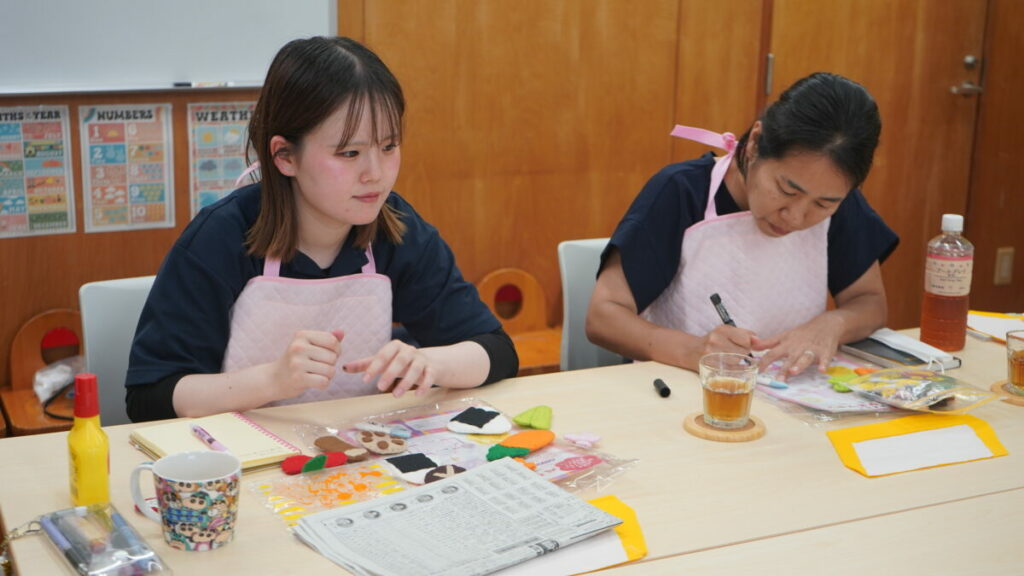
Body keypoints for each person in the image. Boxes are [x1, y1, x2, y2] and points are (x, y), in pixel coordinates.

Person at [126, 37, 518, 422]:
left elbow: (497, 351)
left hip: (355, 451)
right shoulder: (219, 238)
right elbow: (151, 397)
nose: (376, 174)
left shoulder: (398, 230)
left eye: (389, 147)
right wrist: (272, 380)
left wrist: (431, 361)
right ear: (285, 156)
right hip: (241, 453)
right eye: (349, 153)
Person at [587, 72, 898, 378]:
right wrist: (692, 350)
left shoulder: (837, 198)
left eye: (823, 205)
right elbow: (603, 316)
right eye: (787, 190)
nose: (795, 217)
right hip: (682, 389)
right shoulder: (681, 192)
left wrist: (832, 325)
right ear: (755, 144)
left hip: (785, 391)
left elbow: (869, 302)